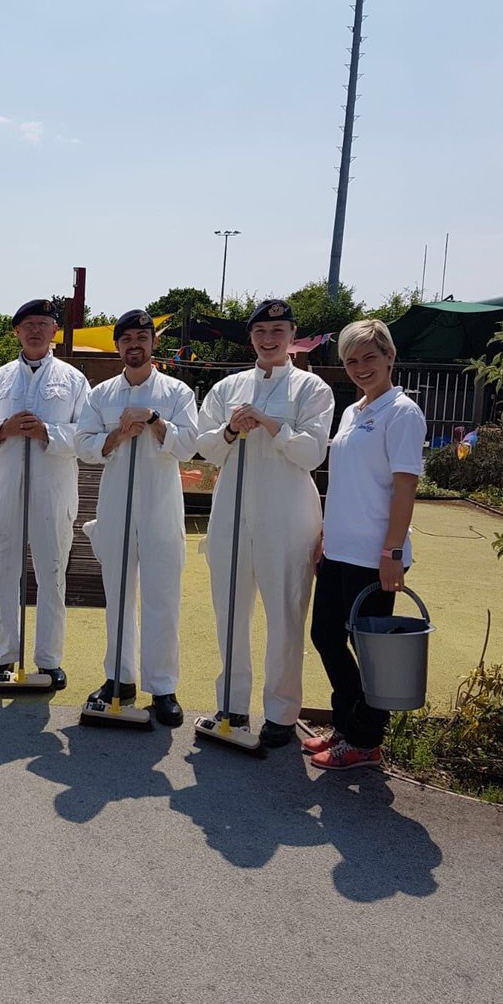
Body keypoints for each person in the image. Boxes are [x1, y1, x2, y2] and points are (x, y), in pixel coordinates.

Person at [197, 298, 334, 747]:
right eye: (260, 332)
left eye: (278, 331)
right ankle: (231, 703)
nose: (269, 339)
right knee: (229, 612)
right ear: (251, 338)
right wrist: (231, 430)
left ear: (292, 335)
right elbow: (204, 447)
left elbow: (313, 453)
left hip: (287, 516)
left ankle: (281, 712)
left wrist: (272, 425)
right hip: (232, 514)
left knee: (286, 615)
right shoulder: (227, 387)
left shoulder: (313, 389)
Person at [306, 318, 426, 769]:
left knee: (371, 652)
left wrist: (392, 552)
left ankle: (365, 740)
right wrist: (325, 536)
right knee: (325, 637)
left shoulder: (403, 412)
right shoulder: (353, 411)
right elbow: (346, 482)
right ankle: (347, 727)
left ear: (389, 356)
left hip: (375, 556)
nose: (360, 368)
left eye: (369, 357)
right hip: (339, 549)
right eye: (351, 360)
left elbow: (405, 487)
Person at [75, 309, 198, 726]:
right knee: (118, 594)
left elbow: (189, 446)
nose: (134, 345)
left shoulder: (177, 392)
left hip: (161, 505)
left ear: (153, 343)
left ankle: (162, 687)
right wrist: (117, 435)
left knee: (162, 595)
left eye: (142, 338)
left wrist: (155, 421)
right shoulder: (101, 395)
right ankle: (119, 678)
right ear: (117, 346)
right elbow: (83, 444)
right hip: (115, 504)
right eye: (126, 339)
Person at [0, 299, 90, 687]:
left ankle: (49, 659)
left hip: (53, 491)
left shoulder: (74, 380)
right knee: (2, 571)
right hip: (5, 488)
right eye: (28, 325)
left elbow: (87, 435)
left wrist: (48, 433)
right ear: (17, 332)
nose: (35, 331)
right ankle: (2, 657)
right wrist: (2, 429)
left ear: (55, 331)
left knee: (52, 573)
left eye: (43, 324)